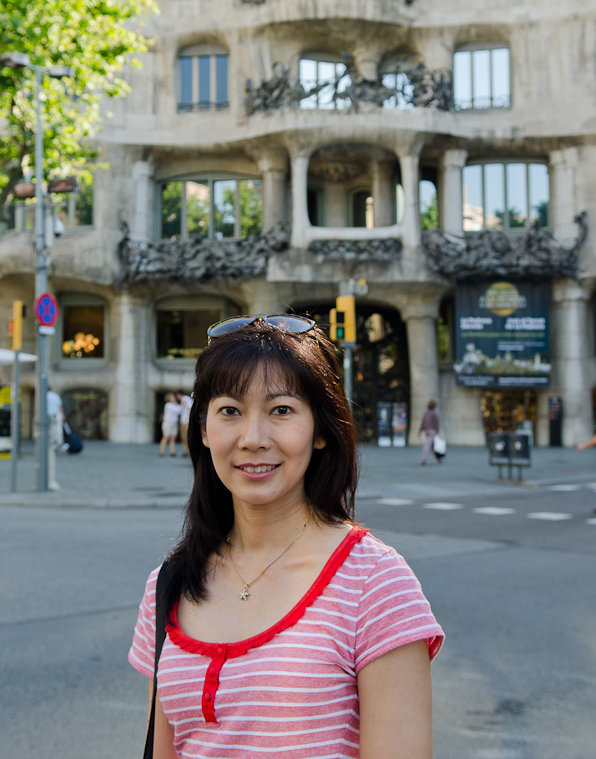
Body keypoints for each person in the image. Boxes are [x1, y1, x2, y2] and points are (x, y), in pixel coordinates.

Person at [130, 315, 444, 759]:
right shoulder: (168, 585)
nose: (253, 438)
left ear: (320, 430)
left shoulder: (375, 583)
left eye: (281, 410)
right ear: (203, 429)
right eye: (230, 411)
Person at [46, 386, 64, 491]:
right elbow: (60, 408)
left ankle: (51, 446)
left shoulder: (42, 396)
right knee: (54, 440)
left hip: (45, 420)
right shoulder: (55, 395)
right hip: (55, 419)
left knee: (48, 444)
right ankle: (56, 445)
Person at [418, 399, 441, 466]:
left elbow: (423, 422)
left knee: (432, 445)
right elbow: (436, 423)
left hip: (427, 430)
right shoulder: (434, 413)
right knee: (427, 446)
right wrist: (438, 432)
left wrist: (420, 431)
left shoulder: (426, 412)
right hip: (432, 431)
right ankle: (423, 460)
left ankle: (438, 458)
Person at [159, 393, 180, 457]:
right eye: (172, 397)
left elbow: (179, 411)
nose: (174, 398)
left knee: (173, 437)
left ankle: (172, 451)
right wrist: (182, 404)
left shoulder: (175, 404)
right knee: (166, 436)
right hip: (168, 422)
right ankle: (162, 451)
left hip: (174, 422)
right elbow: (177, 410)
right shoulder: (168, 405)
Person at [176, 390, 193, 457]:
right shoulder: (186, 399)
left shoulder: (185, 399)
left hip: (186, 421)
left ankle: (187, 451)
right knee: (185, 436)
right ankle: (186, 451)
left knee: (185, 436)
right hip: (185, 421)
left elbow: (190, 408)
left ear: (178, 395)